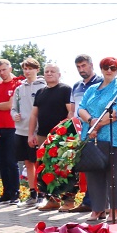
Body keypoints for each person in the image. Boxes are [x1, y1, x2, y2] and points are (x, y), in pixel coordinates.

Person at [76, 57, 117, 222]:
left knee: (115, 175)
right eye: (106, 67)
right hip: (92, 139)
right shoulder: (92, 88)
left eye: (113, 68)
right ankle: (97, 209)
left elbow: (115, 114)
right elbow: (81, 108)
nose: (109, 70)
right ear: (101, 69)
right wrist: (90, 122)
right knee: (94, 174)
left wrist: (96, 127)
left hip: (113, 138)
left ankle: (114, 209)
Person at [30, 63, 74, 210]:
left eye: (52, 71)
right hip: (43, 136)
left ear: (59, 74)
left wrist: (62, 133)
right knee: (46, 169)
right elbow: (34, 114)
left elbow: (70, 113)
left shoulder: (66, 89)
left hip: (61, 138)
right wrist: (31, 134)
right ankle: (52, 200)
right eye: (46, 71)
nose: (49, 73)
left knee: (65, 169)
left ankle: (68, 200)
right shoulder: (40, 92)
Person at [68, 54, 103, 213]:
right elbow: (72, 110)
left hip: (96, 130)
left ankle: (93, 202)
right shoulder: (76, 86)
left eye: (84, 66)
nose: (81, 70)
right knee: (84, 168)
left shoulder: (101, 83)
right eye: (78, 67)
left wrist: (95, 126)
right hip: (79, 132)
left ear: (91, 65)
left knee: (95, 167)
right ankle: (86, 201)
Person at [10, 57, 46, 207]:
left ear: (37, 69)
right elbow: (13, 108)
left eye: (30, 68)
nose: (27, 71)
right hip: (21, 131)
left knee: (40, 163)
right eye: (25, 68)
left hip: (38, 131)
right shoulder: (19, 88)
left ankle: (43, 195)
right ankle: (33, 194)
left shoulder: (43, 87)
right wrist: (14, 115)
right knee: (27, 162)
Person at [0, 59, 21, 204]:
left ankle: (15, 194)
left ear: (10, 68)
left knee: (11, 161)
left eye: (3, 70)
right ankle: (6, 193)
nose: (1, 73)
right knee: (2, 162)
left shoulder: (18, 84)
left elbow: (10, 105)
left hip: (13, 128)